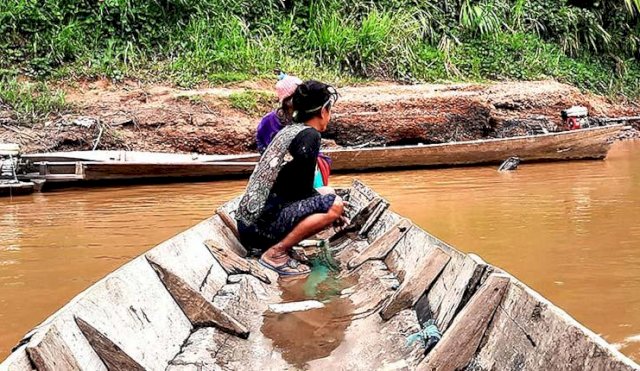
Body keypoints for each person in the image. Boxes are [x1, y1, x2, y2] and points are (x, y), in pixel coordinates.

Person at [236, 80, 344, 276]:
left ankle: (278, 245)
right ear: (323, 111)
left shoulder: (290, 130)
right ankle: (275, 254)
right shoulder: (309, 136)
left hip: (248, 224)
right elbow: (301, 192)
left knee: (327, 193)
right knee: (335, 205)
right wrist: (332, 211)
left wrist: (321, 201)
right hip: (260, 230)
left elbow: (295, 188)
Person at [256, 73, 331, 188]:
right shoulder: (271, 121)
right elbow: (266, 147)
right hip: (278, 165)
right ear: (286, 101)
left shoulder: (299, 122)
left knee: (320, 163)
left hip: (290, 164)